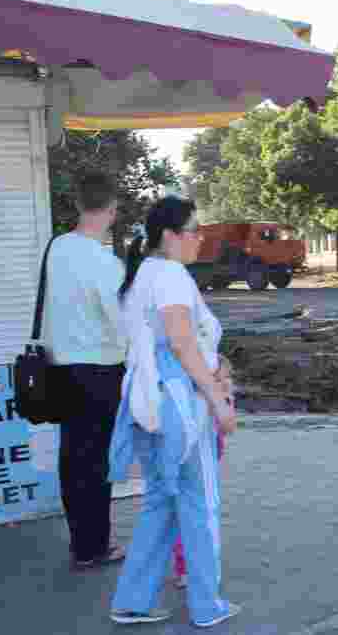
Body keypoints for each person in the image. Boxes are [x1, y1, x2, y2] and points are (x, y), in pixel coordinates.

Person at [107, 196, 240, 628]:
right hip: (181, 405)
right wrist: (218, 399)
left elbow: (175, 342)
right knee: (199, 503)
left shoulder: (143, 273)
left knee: (161, 503)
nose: (200, 238)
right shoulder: (171, 275)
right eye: (194, 230)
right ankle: (207, 604)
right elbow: (183, 344)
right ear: (170, 236)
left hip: (148, 404)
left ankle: (133, 600)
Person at [44, 171, 127, 571]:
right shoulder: (104, 261)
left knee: (72, 458)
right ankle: (95, 547)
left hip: (62, 370)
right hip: (99, 372)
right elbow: (118, 321)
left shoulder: (56, 248)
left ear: (78, 204)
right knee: (96, 462)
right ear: (111, 209)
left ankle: (83, 542)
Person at [171, 354, 234, 590]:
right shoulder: (209, 402)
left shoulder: (185, 400)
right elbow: (228, 427)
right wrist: (224, 399)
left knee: (183, 512)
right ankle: (189, 567)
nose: (230, 382)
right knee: (195, 514)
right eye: (226, 377)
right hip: (199, 465)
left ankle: (186, 566)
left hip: (192, 462)